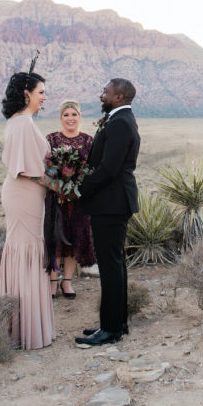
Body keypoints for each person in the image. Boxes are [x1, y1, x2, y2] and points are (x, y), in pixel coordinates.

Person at [74, 78, 140, 346]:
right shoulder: (119, 119)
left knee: (111, 266)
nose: (102, 95)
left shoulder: (121, 123)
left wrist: (80, 188)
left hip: (111, 204)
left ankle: (110, 330)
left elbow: (109, 168)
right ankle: (115, 324)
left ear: (120, 96)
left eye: (106, 92)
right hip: (112, 203)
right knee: (115, 265)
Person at [0, 68, 57, 350]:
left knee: (28, 249)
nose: (45, 97)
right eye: (41, 92)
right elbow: (25, 171)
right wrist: (59, 186)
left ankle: (23, 326)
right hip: (24, 194)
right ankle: (24, 329)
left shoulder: (21, 121)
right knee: (26, 250)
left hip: (28, 194)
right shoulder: (21, 124)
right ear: (27, 93)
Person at [44, 99, 96, 299]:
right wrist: (59, 183)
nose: (70, 118)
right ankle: (52, 282)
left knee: (74, 238)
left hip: (79, 200)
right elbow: (47, 167)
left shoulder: (88, 141)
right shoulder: (51, 140)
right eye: (66, 114)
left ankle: (67, 282)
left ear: (80, 117)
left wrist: (78, 185)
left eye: (74, 114)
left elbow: (91, 169)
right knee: (55, 238)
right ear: (61, 117)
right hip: (56, 198)